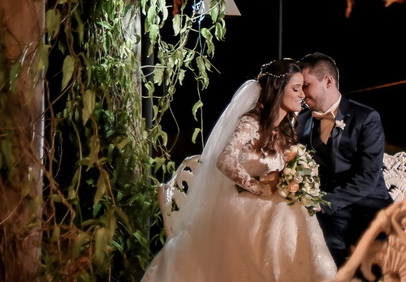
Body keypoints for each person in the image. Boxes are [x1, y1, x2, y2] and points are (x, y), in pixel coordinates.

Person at [142, 59, 337, 282]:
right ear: (277, 89)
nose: (302, 95)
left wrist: (295, 180)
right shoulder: (251, 122)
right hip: (244, 201)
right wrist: (257, 187)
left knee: (295, 214)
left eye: (302, 88)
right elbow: (225, 160)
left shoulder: (287, 126)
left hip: (275, 201)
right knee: (279, 220)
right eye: (295, 88)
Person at [296, 52, 393, 264]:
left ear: (328, 81)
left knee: (376, 262)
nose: (302, 94)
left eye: (306, 85)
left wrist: (325, 202)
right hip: (328, 214)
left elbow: (368, 178)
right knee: (321, 257)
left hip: (369, 206)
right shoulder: (302, 121)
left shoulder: (366, 118)